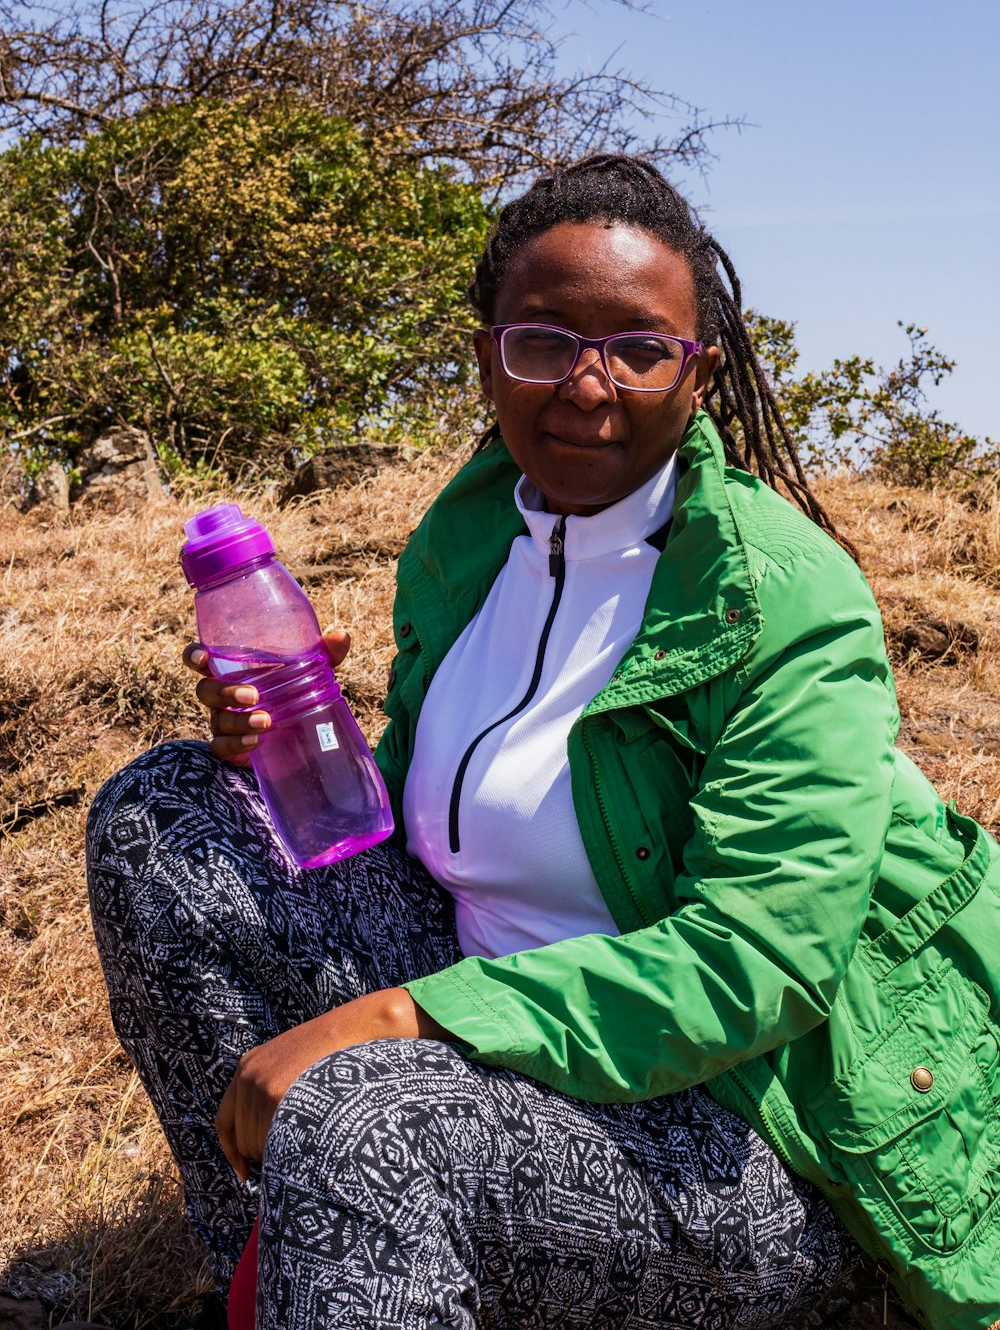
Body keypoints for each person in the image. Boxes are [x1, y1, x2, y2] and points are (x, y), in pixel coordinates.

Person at [87, 155, 1000, 1330]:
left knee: (365, 1123)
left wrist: (404, 1019)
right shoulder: (466, 540)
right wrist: (280, 751)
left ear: (698, 373)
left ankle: (354, 1222)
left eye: (637, 346)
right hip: (490, 998)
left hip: (737, 1130)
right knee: (162, 815)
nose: (587, 385)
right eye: (544, 342)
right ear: (487, 355)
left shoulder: (778, 599)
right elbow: (447, 806)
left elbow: (755, 966)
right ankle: (292, 1272)